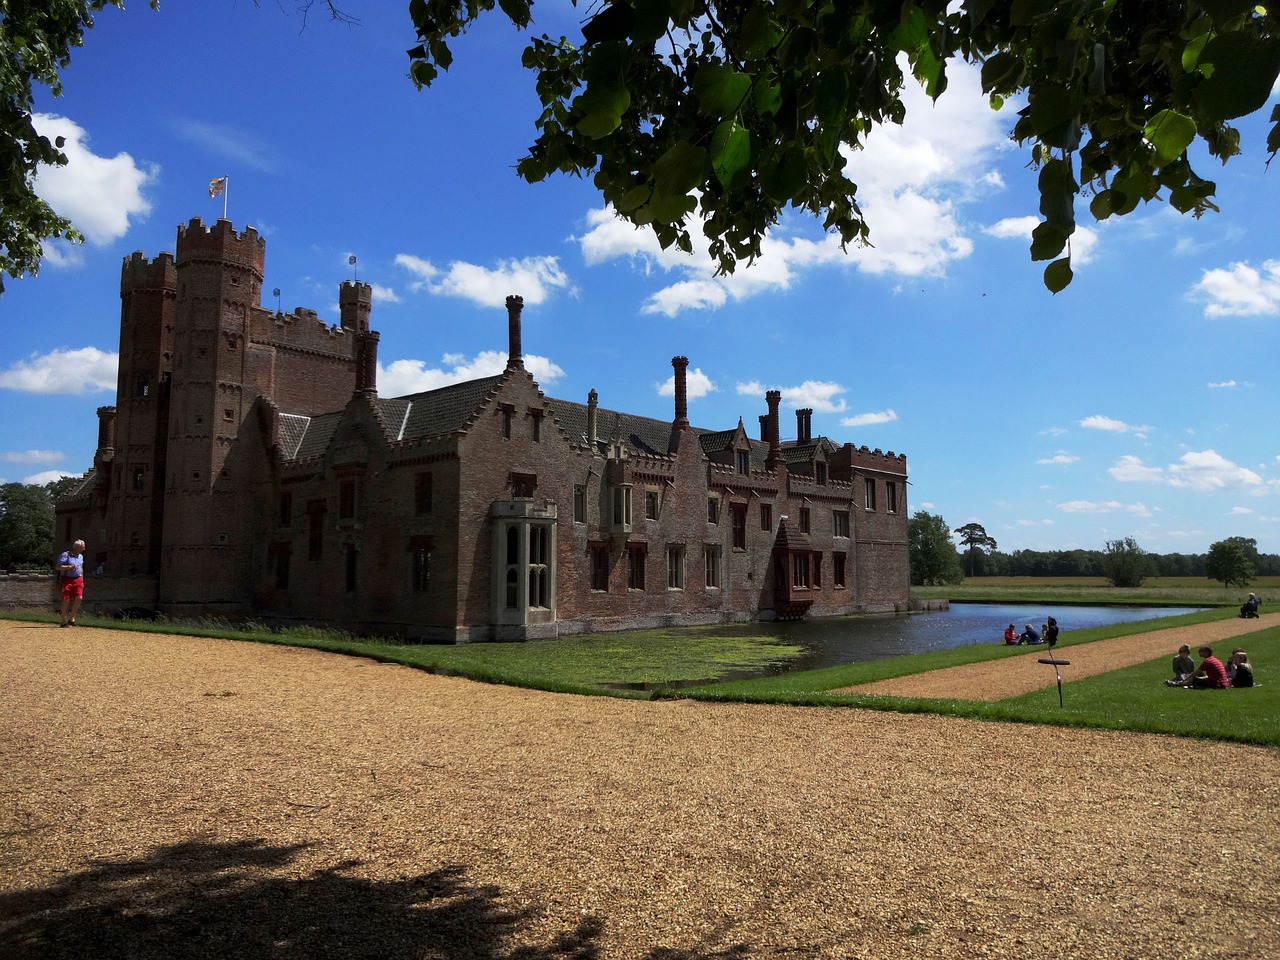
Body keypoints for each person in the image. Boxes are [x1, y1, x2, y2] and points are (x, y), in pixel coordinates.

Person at [56, 539, 86, 628]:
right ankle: (63, 621)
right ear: (76, 548)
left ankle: (72, 618)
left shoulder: (81, 556)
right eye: (82, 547)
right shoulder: (65, 555)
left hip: (78, 579)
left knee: (79, 598)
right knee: (66, 600)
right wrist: (70, 567)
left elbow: (81, 568)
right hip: (67, 579)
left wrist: (82, 578)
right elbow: (58, 567)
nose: (84, 549)